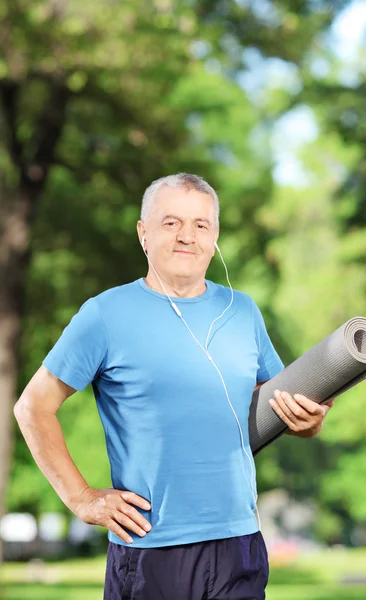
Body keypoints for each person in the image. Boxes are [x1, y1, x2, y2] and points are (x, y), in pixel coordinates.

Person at [14, 173, 334, 600]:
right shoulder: (105, 314)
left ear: (215, 236)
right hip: (151, 550)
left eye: (201, 225)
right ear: (143, 234)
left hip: (239, 544)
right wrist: (82, 498)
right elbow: (32, 407)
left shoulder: (243, 311)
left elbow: (283, 411)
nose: (187, 236)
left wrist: (310, 422)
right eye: (171, 223)